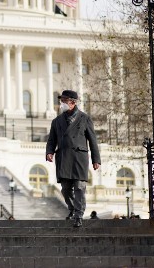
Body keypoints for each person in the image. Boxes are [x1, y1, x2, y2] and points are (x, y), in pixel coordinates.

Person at [46, 90, 101, 228]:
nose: (61, 103)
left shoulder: (85, 118)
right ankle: (72, 208)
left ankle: (78, 214)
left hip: (79, 157)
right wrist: (49, 152)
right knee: (65, 189)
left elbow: (92, 140)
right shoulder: (57, 121)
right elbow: (51, 139)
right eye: (61, 101)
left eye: (64, 101)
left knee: (79, 187)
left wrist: (96, 159)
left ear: (73, 102)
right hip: (64, 157)